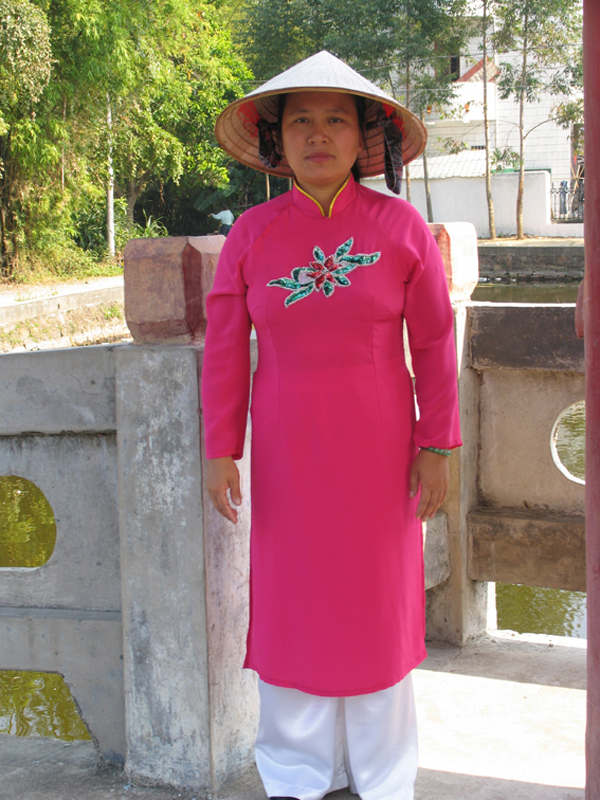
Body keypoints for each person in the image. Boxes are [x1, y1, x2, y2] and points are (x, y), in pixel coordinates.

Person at [201, 51, 461, 800]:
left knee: (376, 610)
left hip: (382, 457)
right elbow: (225, 351)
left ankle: (383, 776)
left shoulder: (401, 228)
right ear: (276, 138)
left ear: (365, 136)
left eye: (336, 120)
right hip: (287, 457)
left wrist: (437, 444)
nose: (318, 135)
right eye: (301, 121)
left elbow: (435, 344)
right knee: (295, 611)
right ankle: (296, 774)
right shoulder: (251, 236)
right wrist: (221, 449)